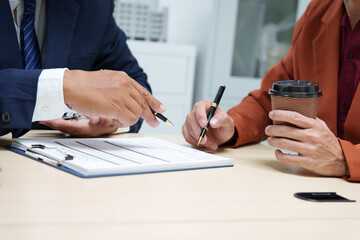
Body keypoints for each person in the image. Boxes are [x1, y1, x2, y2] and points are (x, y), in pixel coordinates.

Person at [183, 0, 360, 182]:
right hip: (315, 185)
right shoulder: (319, 12)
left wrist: (346, 159)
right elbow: (273, 100)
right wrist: (229, 126)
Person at [0, 0, 165, 138]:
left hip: (62, 160)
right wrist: (61, 86)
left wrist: (111, 122)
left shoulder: (93, 6)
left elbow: (134, 83)